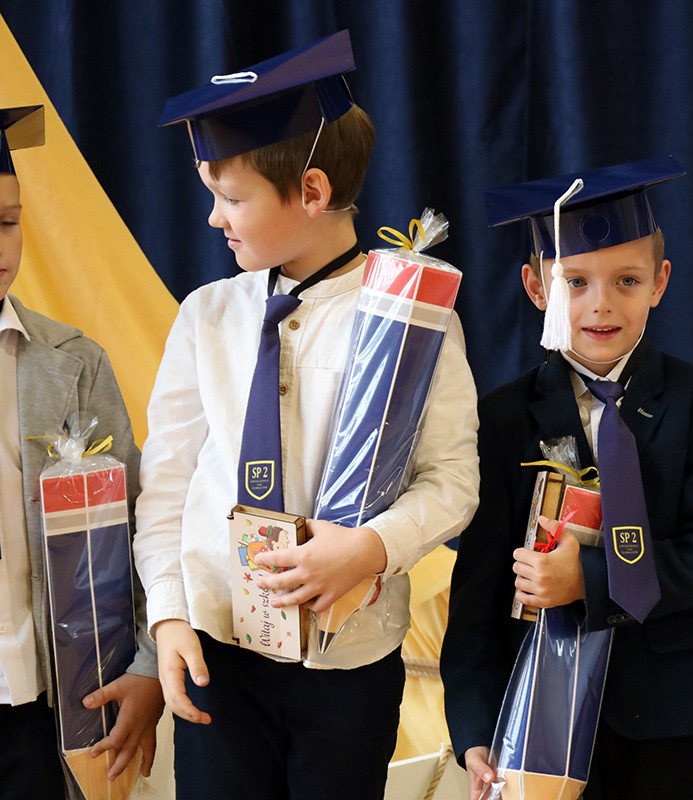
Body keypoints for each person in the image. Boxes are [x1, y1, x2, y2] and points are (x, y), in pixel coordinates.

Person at [133, 31, 479, 799]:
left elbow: (452, 482)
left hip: (347, 660)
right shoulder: (206, 316)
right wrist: (169, 617)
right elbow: (167, 488)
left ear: (312, 191)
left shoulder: (411, 319)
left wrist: (369, 548)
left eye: (232, 199)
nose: (216, 219)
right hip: (219, 652)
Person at [441, 157, 693, 799]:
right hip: (535, 709)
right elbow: (478, 591)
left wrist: (585, 579)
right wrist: (473, 724)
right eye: (575, 282)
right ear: (536, 288)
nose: (601, 304)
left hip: (662, 706)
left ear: (659, 283)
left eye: (627, 280)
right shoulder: (502, 417)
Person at [0, 105, 163, 799]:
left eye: (7, 221)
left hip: (45, 699)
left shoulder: (72, 364)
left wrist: (150, 662)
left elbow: (136, 524)